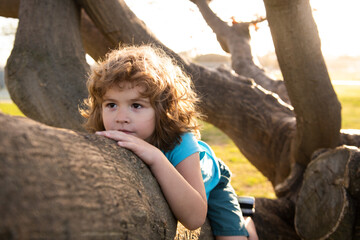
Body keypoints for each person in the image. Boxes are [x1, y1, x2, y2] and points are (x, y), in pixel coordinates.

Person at [80, 44, 258, 240]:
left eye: (136, 105)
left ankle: (247, 223)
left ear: (163, 109)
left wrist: (156, 157)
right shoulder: (110, 136)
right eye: (111, 104)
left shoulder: (181, 142)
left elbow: (194, 218)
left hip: (211, 182)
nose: (121, 117)